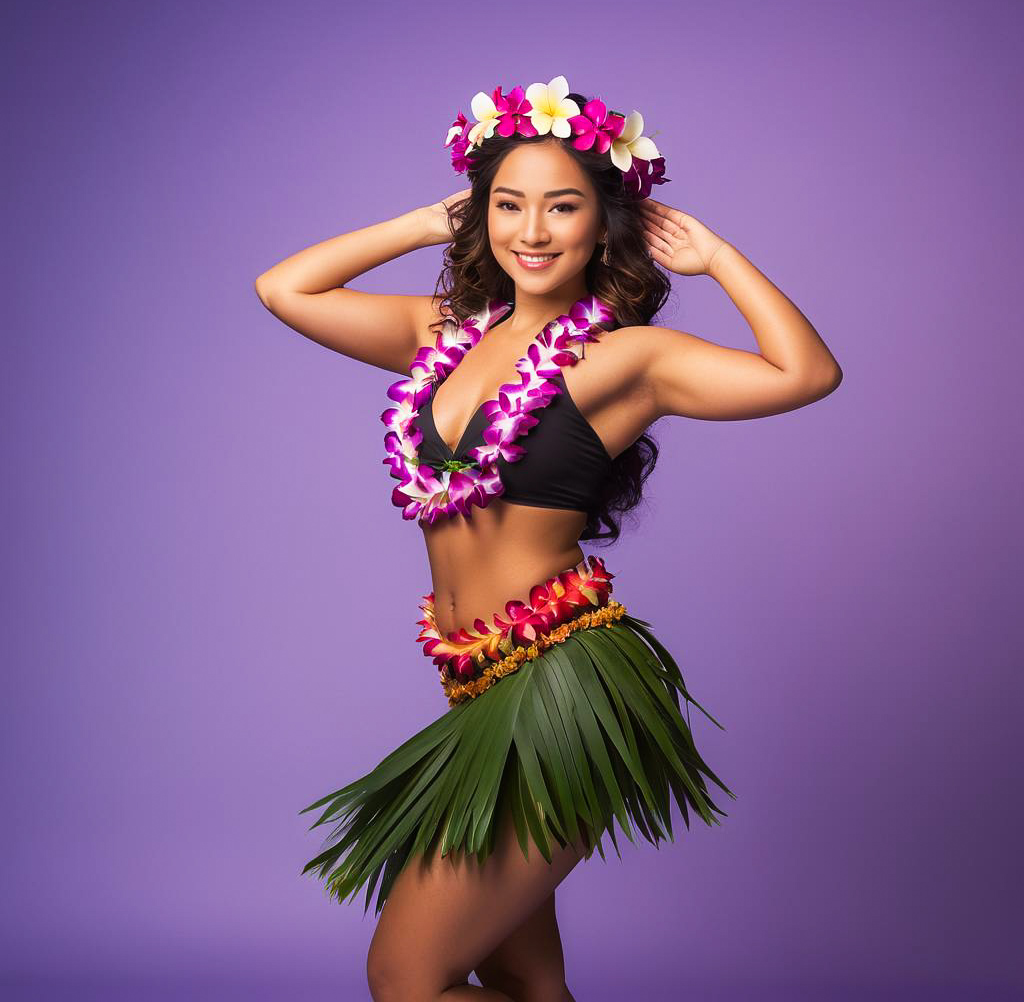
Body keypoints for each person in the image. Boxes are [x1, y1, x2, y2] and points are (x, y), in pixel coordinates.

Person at [254, 75, 842, 1002]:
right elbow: (284, 287)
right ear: (479, 213)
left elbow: (805, 374)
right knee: (523, 977)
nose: (531, 230)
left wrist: (719, 257)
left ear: (604, 223)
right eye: (508, 204)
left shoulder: (624, 359)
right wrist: (422, 223)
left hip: (563, 694)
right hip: (475, 690)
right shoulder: (439, 331)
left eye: (561, 206)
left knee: (408, 976)